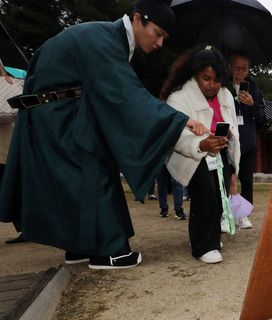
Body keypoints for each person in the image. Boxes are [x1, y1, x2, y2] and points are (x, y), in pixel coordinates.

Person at [0, 0, 206, 269]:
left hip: (55, 113)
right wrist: (180, 119)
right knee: (96, 174)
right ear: (137, 19)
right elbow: (126, 94)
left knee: (76, 182)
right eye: (158, 33)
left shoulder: (103, 36)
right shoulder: (103, 41)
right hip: (59, 115)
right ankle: (109, 252)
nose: (159, 44)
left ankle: (79, 247)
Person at [160, 46, 240, 264]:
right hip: (192, 155)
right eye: (206, 79)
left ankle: (211, 238)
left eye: (216, 79)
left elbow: (233, 125)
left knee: (218, 196)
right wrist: (202, 144)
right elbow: (176, 134)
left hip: (219, 151)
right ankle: (202, 245)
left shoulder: (226, 94)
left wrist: (227, 138)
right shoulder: (179, 97)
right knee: (205, 194)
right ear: (195, 74)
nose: (212, 85)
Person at [227, 52, 266, 229]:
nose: (241, 71)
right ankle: (225, 214)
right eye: (237, 67)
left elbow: (262, 119)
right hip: (228, 141)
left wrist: (252, 104)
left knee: (247, 181)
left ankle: (243, 215)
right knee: (228, 180)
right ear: (230, 67)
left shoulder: (254, 89)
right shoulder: (223, 86)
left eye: (244, 68)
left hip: (247, 141)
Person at [0, 58, 26, 244]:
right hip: (8, 145)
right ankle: (27, 227)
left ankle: (27, 227)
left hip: (5, 144)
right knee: (13, 187)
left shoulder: (12, 82)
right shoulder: (15, 81)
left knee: (12, 186)